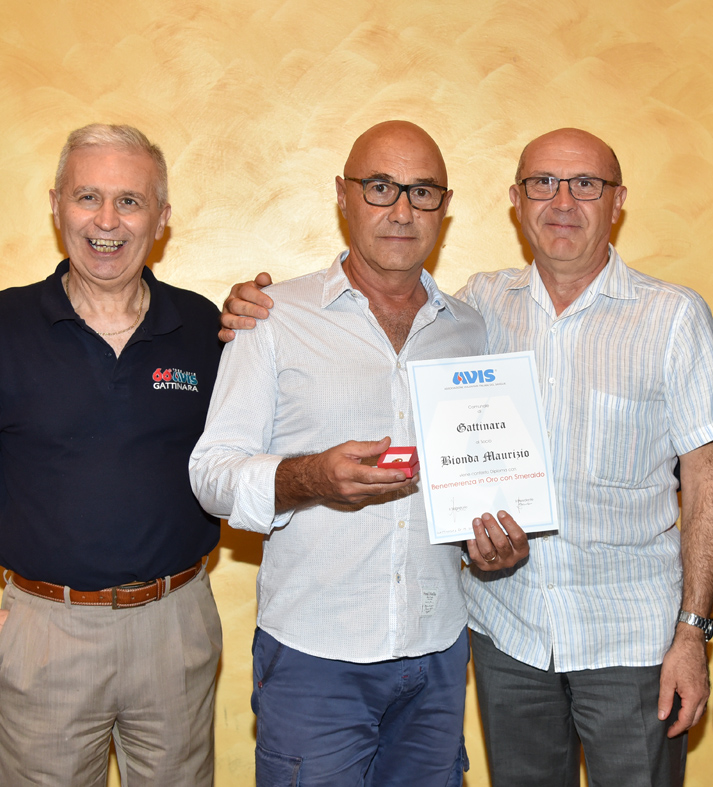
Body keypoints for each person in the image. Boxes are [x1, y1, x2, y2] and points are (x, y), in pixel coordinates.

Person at [220, 127, 713, 787]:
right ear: (516, 200)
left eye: (585, 184)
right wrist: (248, 319)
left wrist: (693, 631)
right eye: (542, 183)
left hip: (626, 639)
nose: (563, 201)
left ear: (618, 200)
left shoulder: (666, 316)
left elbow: (705, 476)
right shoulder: (475, 308)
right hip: (502, 635)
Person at [188, 120, 528, 787]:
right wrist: (309, 477)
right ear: (343, 195)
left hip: (436, 650)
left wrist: (489, 544)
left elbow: (475, 473)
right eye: (380, 187)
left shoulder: (470, 328)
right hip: (314, 655)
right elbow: (211, 474)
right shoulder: (272, 318)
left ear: (445, 206)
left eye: (422, 192)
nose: (402, 210)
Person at [0, 124, 223, 785]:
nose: (107, 221)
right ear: (56, 205)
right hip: (44, 634)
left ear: (162, 217)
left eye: (130, 200)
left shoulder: (204, 327)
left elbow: (244, 459)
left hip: (175, 627)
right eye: (88, 196)